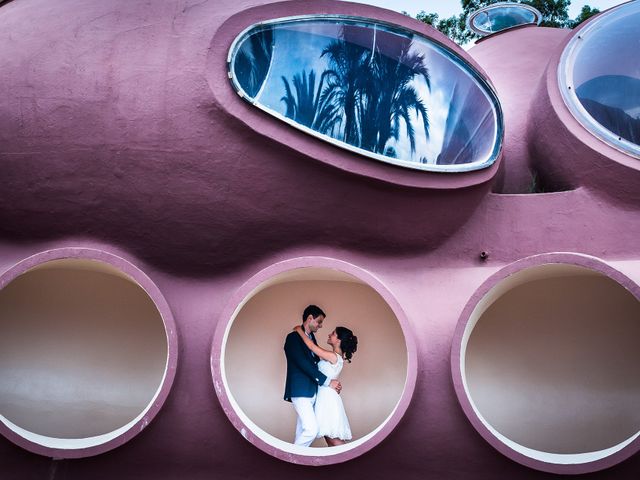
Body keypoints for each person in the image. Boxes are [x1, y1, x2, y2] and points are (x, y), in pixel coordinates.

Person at [284, 305, 341, 447]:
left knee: (303, 430)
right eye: (319, 322)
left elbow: (315, 361)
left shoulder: (311, 338)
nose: (321, 326)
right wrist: (329, 382)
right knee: (311, 430)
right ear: (310, 318)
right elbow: (304, 364)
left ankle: (295, 465)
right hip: (300, 390)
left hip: (313, 392)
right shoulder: (293, 338)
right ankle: (292, 460)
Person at [293, 323, 358, 446]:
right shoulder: (335, 357)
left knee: (332, 438)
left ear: (339, 340)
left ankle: (351, 462)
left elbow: (312, 347)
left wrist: (299, 331)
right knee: (329, 438)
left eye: (333, 333)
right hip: (326, 396)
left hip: (327, 399)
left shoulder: (333, 356)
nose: (329, 334)